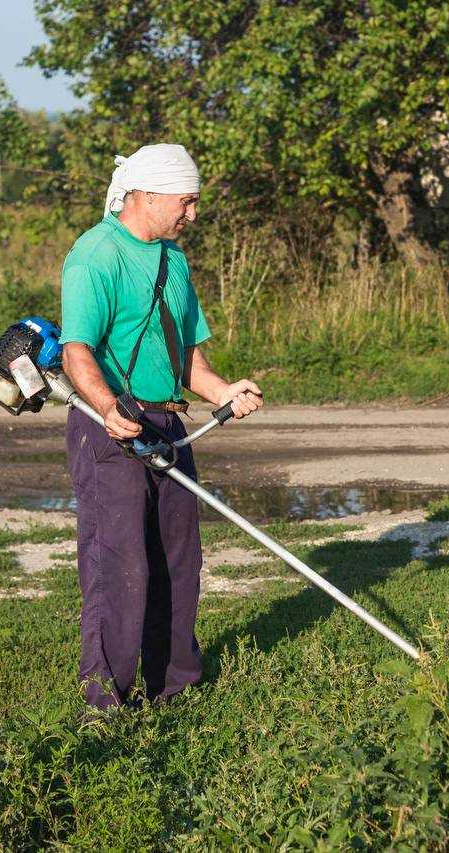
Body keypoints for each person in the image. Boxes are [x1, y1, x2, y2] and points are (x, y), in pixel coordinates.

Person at [59, 143, 262, 710]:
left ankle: (174, 689)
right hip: (111, 424)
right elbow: (77, 352)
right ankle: (104, 704)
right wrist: (107, 408)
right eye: (187, 202)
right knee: (119, 563)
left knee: (179, 559)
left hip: (170, 424)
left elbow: (186, 356)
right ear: (147, 195)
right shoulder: (96, 255)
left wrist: (222, 391)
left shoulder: (174, 261)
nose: (193, 215)